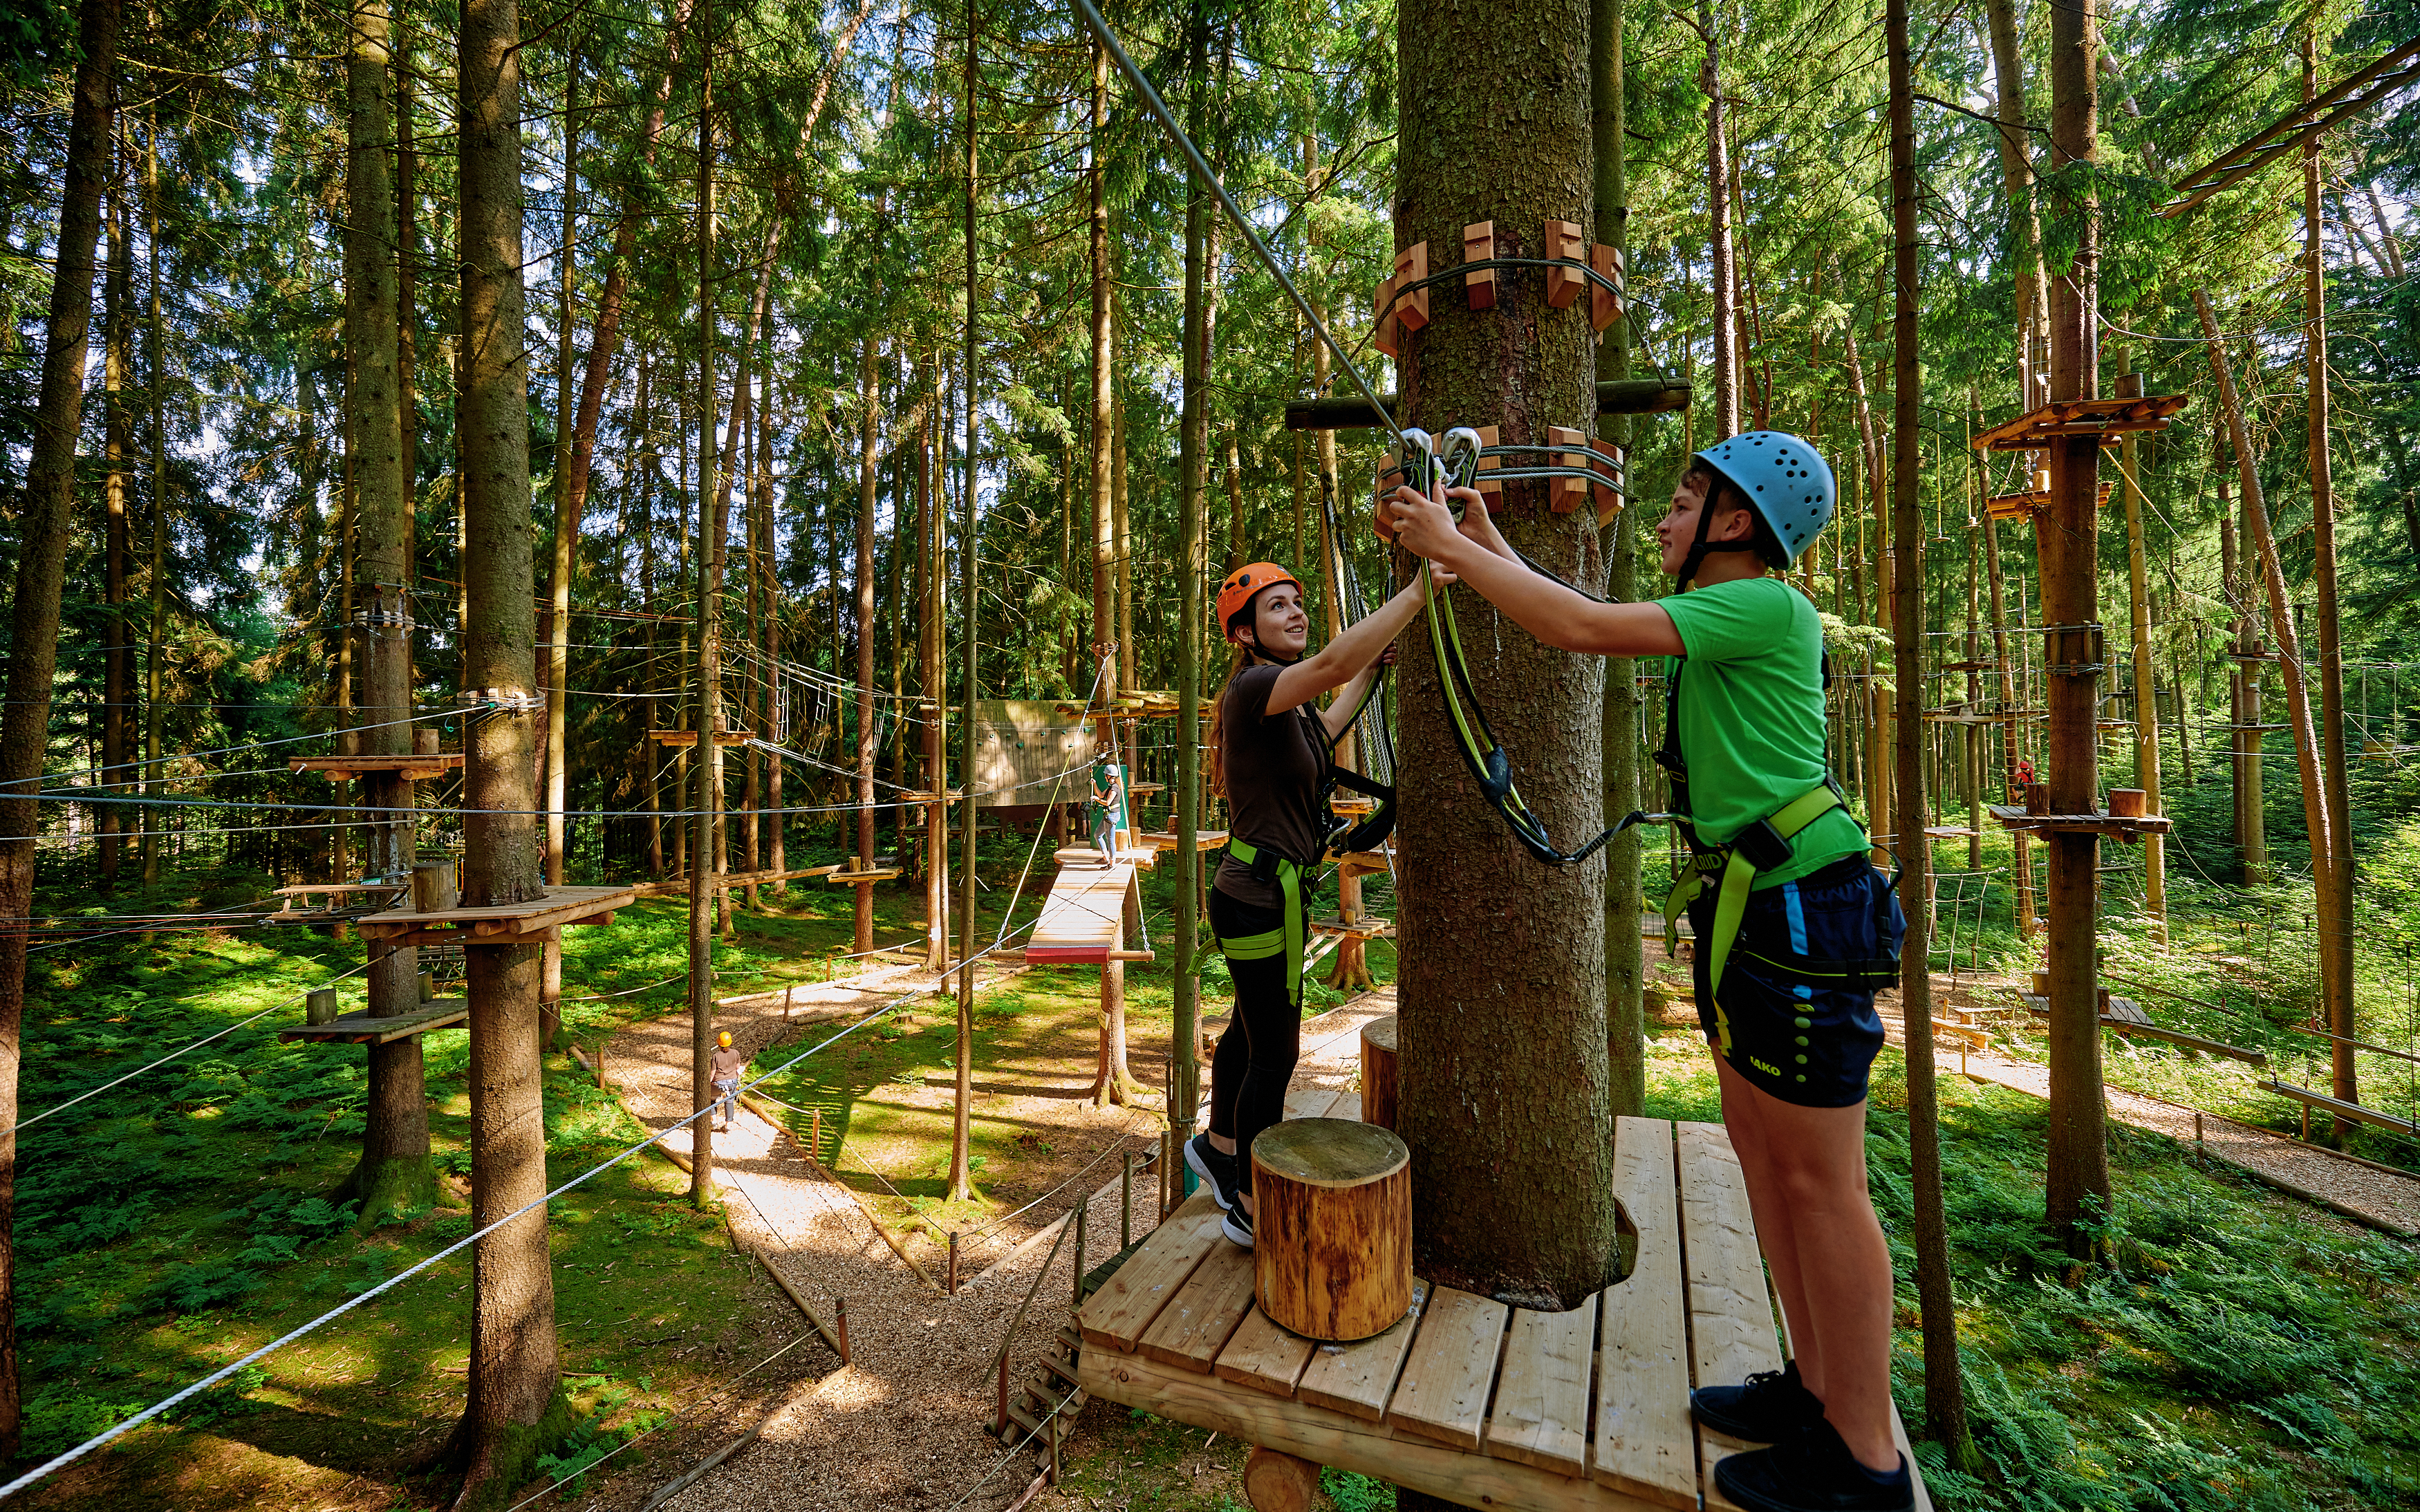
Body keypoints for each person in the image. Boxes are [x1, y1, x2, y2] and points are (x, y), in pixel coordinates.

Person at [1385, 433, 1911, 1512]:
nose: (1664, 520)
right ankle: (1818, 1390)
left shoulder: (1763, 605)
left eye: (1681, 503)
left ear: (1734, 522)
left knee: (1822, 1182)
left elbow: (1579, 628)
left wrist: (1449, 544)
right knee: (1767, 1158)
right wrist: (1484, 545)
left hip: (1797, 908)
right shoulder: (1726, 611)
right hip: (1760, 905)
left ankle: (1866, 1457)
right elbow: (1587, 612)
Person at [1183, 557, 1437, 1251]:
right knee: (1276, 1052)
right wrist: (1416, 593)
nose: (1295, 612)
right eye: (1277, 607)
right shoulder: (1254, 687)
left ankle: (1217, 1149)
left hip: (1264, 894)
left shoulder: (1285, 702)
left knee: (1249, 1031)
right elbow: (1329, 662)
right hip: (1256, 899)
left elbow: (1325, 724)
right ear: (1244, 634)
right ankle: (1247, 1201)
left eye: (1296, 602)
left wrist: (1369, 672)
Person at [710, 1029, 747, 1133]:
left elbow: (712, 1073)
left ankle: (714, 1122)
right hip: (732, 1083)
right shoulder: (735, 1053)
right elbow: (737, 1068)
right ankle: (728, 1127)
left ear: (719, 1043)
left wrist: (708, 1083)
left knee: (710, 1100)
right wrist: (738, 1078)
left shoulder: (716, 1056)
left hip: (718, 1083)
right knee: (729, 1101)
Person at [1088, 760, 1124, 866]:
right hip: (1109, 815)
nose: (1104, 777)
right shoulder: (1111, 787)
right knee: (1097, 835)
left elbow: (1107, 802)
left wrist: (1096, 799)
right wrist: (1095, 784)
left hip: (1112, 816)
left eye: (1105, 775)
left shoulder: (1114, 788)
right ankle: (1105, 858)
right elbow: (1101, 795)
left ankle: (1112, 863)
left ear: (1110, 776)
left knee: (1110, 840)